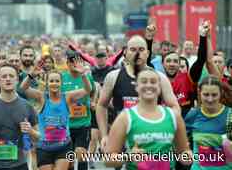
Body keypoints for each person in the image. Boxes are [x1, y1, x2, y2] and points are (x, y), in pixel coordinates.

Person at [96, 24, 181, 152]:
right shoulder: (113, 76)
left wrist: (165, 128)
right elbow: (101, 105)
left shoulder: (160, 78)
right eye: (133, 49)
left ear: (147, 53)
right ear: (125, 52)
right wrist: (104, 135)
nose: (137, 53)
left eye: (141, 49)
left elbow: (174, 106)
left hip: (152, 137)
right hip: (123, 139)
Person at [105, 68, 192, 169]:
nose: (149, 85)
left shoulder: (173, 116)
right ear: (136, 87)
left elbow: (184, 154)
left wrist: (190, 155)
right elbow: (108, 160)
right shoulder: (125, 117)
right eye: (144, 82)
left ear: (159, 87)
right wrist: (128, 157)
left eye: (153, 82)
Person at [20, 58, 91, 170]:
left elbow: (87, 90)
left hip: (63, 146)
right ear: (47, 83)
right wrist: (30, 76)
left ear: (61, 83)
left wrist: (83, 75)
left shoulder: (67, 96)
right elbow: (23, 88)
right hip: (44, 147)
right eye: (51, 81)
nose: (54, 84)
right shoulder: (41, 97)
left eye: (57, 81)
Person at [0, 64, 38, 170]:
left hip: (19, 164)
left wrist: (30, 131)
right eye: (4, 77)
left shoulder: (27, 106)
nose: (8, 79)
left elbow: (38, 137)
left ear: (17, 80)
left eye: (11, 76)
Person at [185, 75, 232, 169]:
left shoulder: (230, 115)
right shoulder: (193, 115)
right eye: (206, 94)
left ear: (221, 93)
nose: (210, 99)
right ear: (199, 93)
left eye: (214, 95)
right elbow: (180, 141)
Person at [61, 50, 95, 170]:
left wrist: (92, 101)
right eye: (71, 61)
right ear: (67, 63)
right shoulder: (62, 78)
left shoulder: (86, 77)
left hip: (83, 123)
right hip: (66, 125)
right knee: (69, 160)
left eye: (77, 61)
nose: (74, 64)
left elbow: (92, 91)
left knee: (81, 154)